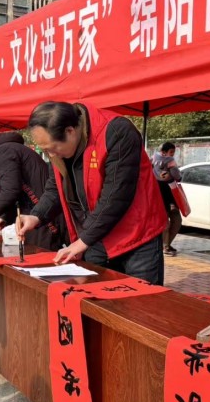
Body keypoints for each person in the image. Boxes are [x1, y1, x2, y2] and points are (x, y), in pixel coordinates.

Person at [17, 102, 167, 284]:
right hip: (96, 237)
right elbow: (55, 188)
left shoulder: (116, 132)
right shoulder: (60, 152)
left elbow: (116, 196)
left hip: (136, 237)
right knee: (96, 296)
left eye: (52, 148)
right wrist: (36, 216)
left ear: (70, 131)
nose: (51, 155)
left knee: (140, 299)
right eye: (45, 150)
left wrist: (82, 241)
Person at [0, 132, 66, 250]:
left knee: (40, 253)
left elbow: (10, 191)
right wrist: (3, 218)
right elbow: (16, 192)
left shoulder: (2, 152)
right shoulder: (6, 149)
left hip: (45, 213)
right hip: (37, 211)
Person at [152, 141, 182, 257]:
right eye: (171, 152)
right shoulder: (170, 161)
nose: (173, 154)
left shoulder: (153, 158)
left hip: (156, 193)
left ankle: (166, 245)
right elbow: (177, 175)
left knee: (165, 220)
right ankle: (165, 246)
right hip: (170, 193)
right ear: (164, 152)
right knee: (175, 220)